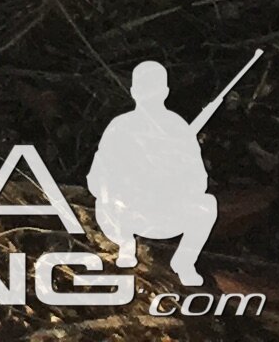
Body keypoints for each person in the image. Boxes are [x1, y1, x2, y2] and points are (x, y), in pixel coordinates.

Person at [90, 61, 221, 285]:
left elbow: (199, 181)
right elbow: (97, 178)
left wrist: (171, 176)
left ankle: (184, 262)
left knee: (207, 204)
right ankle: (125, 246)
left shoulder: (178, 129)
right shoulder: (119, 127)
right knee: (105, 199)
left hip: (165, 213)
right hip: (126, 213)